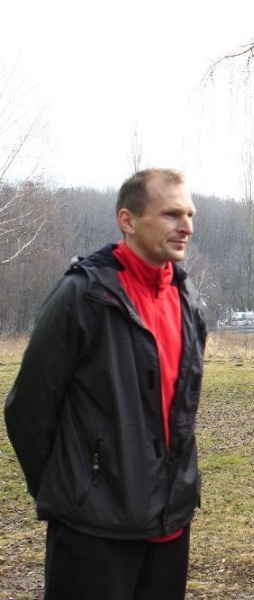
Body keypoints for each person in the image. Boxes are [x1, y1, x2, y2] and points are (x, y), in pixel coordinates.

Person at [4, 168, 206, 599]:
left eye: (189, 214)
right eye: (171, 214)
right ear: (127, 221)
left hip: (170, 525)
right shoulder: (82, 296)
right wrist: (78, 491)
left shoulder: (186, 298)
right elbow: (28, 410)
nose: (186, 226)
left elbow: (181, 410)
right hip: (93, 529)